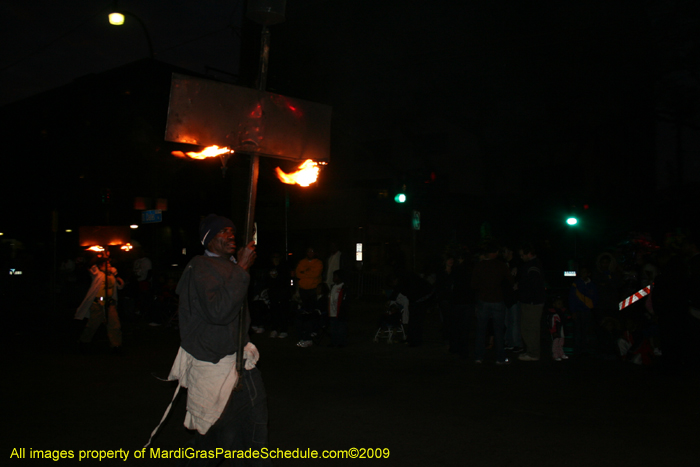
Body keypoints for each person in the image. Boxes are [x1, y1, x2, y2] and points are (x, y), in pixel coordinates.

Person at [148, 214, 270, 466]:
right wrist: (242, 269)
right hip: (215, 366)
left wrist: (239, 268)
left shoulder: (230, 266)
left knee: (254, 435)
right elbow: (218, 312)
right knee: (217, 440)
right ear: (208, 239)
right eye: (223, 232)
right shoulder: (201, 267)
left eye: (232, 231)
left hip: (241, 364)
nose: (231, 235)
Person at [471, 242, 513, 364]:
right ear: (496, 253)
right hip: (498, 300)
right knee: (498, 330)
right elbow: (509, 281)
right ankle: (500, 357)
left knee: (481, 329)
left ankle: (479, 356)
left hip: (483, 300)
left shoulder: (480, 266)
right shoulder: (501, 266)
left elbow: (473, 284)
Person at [75, 257, 124, 353]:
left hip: (110, 303)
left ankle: (116, 345)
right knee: (92, 325)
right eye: (107, 264)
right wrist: (100, 256)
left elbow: (120, 286)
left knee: (114, 325)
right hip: (98, 304)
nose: (109, 265)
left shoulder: (112, 274)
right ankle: (84, 342)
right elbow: (91, 265)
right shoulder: (97, 273)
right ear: (101, 265)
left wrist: (117, 277)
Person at [517, 244, 546, 362]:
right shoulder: (533, 265)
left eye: (522, 255)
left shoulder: (532, 267)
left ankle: (533, 353)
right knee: (527, 327)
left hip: (532, 303)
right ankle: (531, 351)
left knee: (531, 328)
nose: (521, 257)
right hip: (531, 301)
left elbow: (534, 286)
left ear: (529, 254)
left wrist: (528, 297)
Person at [568, 266, 598, 356]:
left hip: (587, 311)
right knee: (577, 330)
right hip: (578, 311)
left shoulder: (592, 284)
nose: (583, 273)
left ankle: (584, 349)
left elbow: (595, 297)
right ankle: (577, 349)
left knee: (586, 330)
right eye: (582, 272)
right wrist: (573, 311)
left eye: (585, 272)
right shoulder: (576, 284)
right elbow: (572, 298)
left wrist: (592, 307)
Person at [295, 247, 324, 312]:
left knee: (313, 308)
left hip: (313, 289)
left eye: (312, 251)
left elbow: (316, 274)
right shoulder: (302, 262)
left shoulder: (318, 263)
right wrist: (309, 273)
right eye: (308, 251)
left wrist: (304, 273)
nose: (310, 253)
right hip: (303, 289)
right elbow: (298, 274)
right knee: (304, 308)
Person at [328, 270, 349, 347]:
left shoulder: (344, 288)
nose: (333, 278)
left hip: (340, 312)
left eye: (335, 276)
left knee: (341, 328)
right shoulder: (333, 287)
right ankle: (334, 342)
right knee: (333, 328)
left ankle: (341, 342)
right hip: (333, 311)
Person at [546, 297, 568, 361]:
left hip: (561, 331)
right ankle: (555, 354)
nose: (560, 305)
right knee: (555, 343)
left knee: (561, 342)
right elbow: (551, 324)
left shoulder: (562, 312)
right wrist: (553, 332)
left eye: (561, 303)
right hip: (556, 331)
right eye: (558, 303)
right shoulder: (553, 313)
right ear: (554, 304)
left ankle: (561, 353)